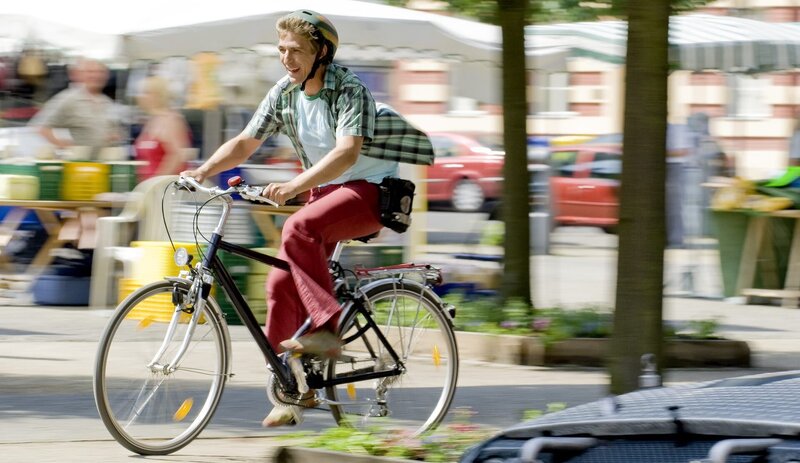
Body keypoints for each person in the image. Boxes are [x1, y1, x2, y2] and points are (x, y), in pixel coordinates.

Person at [181, 10, 433, 427]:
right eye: (282, 49)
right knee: (279, 283)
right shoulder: (285, 92)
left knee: (298, 227)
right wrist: (202, 171)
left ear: (322, 54)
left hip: (371, 192)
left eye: (296, 50)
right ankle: (292, 386)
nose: (286, 58)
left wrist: (294, 185)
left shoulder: (349, 89)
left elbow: (347, 153)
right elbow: (245, 141)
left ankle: (326, 330)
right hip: (326, 193)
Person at [28, 57, 121, 159]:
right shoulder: (68, 98)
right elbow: (40, 126)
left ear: (106, 75)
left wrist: (113, 136)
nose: (96, 75)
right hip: (77, 163)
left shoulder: (108, 102)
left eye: (100, 72)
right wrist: (60, 143)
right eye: (91, 72)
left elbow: (114, 131)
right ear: (81, 75)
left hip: (102, 163)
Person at [133, 76, 192, 180]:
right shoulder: (152, 121)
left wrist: (157, 183)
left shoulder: (171, 121)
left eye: (146, 92)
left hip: (165, 186)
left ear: (158, 95)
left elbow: (177, 156)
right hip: (149, 185)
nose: (141, 97)